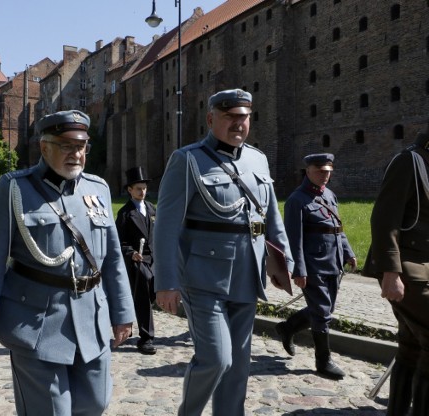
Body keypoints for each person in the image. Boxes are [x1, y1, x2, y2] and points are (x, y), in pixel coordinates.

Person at [0, 109, 135, 415]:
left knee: (96, 403)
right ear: (44, 147)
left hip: (91, 320)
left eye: (81, 146)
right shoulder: (15, 188)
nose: (76, 154)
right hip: (37, 323)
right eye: (66, 146)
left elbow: (112, 259)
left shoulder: (98, 188)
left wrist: (122, 312)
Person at [153, 89, 293, 416]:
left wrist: (288, 263)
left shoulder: (258, 159)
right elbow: (166, 226)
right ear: (211, 118)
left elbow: (271, 216)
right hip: (202, 277)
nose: (238, 124)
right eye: (230, 117)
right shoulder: (187, 160)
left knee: (239, 366)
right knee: (217, 359)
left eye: (243, 117)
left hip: (247, 274)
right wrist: (166, 282)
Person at [364, 129, 429, 416]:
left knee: (412, 345)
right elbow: (383, 218)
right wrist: (390, 272)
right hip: (409, 267)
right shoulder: (409, 161)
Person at [275, 154, 357, 380]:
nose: (326, 175)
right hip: (313, 266)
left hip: (334, 261)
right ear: (308, 170)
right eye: (321, 170)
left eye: (328, 170)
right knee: (321, 312)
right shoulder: (297, 200)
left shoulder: (330, 195)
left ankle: (288, 327)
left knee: (325, 309)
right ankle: (323, 362)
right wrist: (299, 270)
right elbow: (294, 238)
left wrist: (348, 252)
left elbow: (337, 228)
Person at [115, 166, 157, 355]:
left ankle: (128, 319)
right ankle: (146, 338)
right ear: (130, 190)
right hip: (136, 262)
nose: (142, 192)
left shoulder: (151, 209)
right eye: (138, 188)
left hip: (154, 259)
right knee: (143, 295)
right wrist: (131, 252)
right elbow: (118, 241)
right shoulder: (124, 214)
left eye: (144, 188)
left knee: (152, 293)